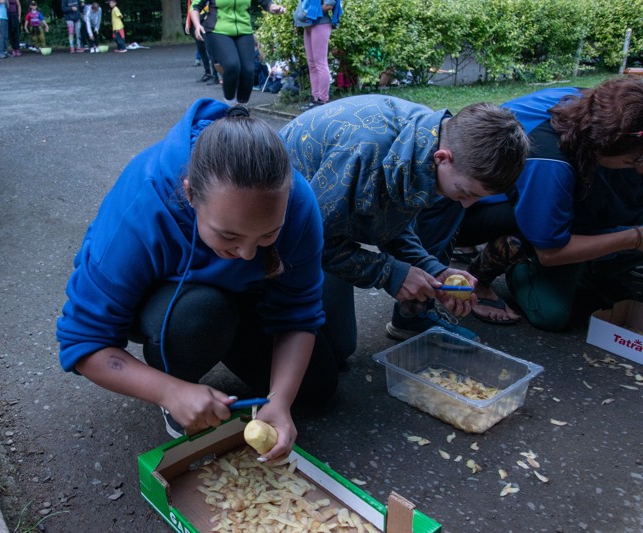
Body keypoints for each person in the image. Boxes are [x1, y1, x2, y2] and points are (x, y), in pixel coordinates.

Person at [57, 100, 338, 460]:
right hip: (176, 303)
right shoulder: (142, 205)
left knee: (317, 388)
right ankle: (180, 380)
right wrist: (168, 391)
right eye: (228, 236)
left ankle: (230, 337)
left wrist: (279, 401)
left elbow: (299, 313)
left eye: (268, 236)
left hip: (249, 296)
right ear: (189, 194)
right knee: (198, 316)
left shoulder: (297, 202)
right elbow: (82, 343)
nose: (248, 254)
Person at [279, 95, 529, 356]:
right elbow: (309, 240)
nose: (466, 205)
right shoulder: (365, 154)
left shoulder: (428, 142)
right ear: (443, 157)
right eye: (465, 192)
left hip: (328, 219)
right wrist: (388, 273)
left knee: (339, 347)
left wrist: (432, 268)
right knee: (333, 352)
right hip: (280, 232)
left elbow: (389, 223)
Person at [456, 77, 643, 331]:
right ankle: (511, 263)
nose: (639, 167)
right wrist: (634, 238)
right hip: (473, 211)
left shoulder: (602, 107)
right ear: (603, 148)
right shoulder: (550, 162)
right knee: (551, 313)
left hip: (554, 188)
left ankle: (597, 261)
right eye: (635, 161)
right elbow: (551, 253)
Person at [190, 0, 287, 106]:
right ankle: (230, 104)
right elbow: (195, 6)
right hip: (217, 30)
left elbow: (265, 2)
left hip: (244, 30)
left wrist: (273, 7)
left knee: (248, 71)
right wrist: (197, 25)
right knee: (232, 65)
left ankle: (241, 106)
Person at [293, 0, 342, 111]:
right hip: (308, 25)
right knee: (312, 65)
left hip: (321, 24)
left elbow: (329, 5)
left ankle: (323, 100)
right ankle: (315, 99)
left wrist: (308, 14)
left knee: (320, 64)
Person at [186, 0, 218, 85]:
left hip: (207, 22)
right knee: (201, 49)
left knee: (211, 50)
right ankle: (207, 73)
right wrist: (188, 22)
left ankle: (216, 75)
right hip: (197, 22)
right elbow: (191, 7)